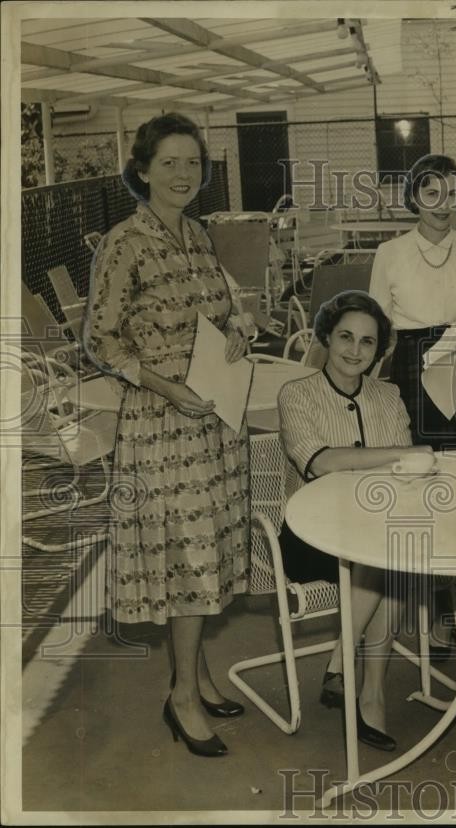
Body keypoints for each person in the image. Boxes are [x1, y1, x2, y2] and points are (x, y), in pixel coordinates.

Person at [83, 112, 251, 758]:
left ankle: (196, 676)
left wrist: (236, 330)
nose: (184, 173)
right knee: (188, 559)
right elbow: (100, 341)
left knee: (203, 556)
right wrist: (163, 386)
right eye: (170, 162)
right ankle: (181, 698)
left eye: (193, 162)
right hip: (162, 428)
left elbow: (222, 309)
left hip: (211, 420)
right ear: (143, 171)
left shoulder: (199, 235)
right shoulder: (124, 242)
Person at [278, 290, 430, 752]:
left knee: (389, 554)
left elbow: (407, 474)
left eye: (368, 341)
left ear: (378, 349)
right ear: (326, 336)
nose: (355, 350)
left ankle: (360, 679)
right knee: (389, 558)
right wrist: (398, 453)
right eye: (345, 336)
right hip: (311, 537)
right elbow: (321, 462)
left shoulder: (389, 395)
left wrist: (395, 461)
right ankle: (359, 680)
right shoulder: (296, 394)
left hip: (376, 531)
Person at [370, 153, 456, 653]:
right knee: (425, 482)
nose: (442, 204)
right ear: (414, 198)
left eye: (451, 194)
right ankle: (439, 609)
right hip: (412, 366)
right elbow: (378, 327)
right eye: (431, 193)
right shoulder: (389, 253)